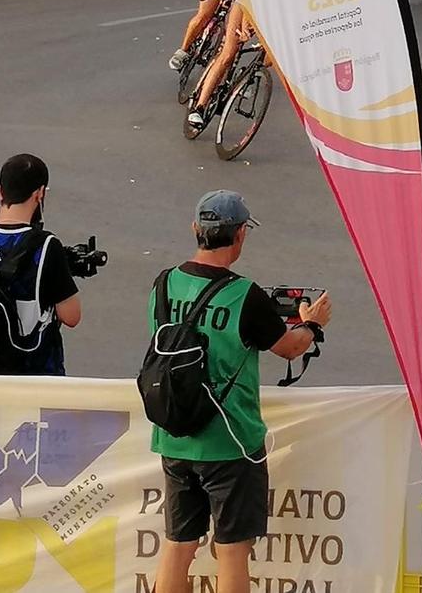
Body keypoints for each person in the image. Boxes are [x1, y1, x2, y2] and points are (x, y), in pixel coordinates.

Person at [149, 191, 332, 593]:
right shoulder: (244, 295)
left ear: (196, 229)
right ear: (240, 235)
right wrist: (312, 324)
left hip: (174, 437)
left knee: (178, 546)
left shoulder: (163, 285)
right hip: (231, 442)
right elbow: (290, 346)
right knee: (232, 551)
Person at [0, 154, 83, 374]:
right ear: (39, 194)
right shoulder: (46, 246)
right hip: (31, 374)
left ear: (0, 191)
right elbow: (71, 316)